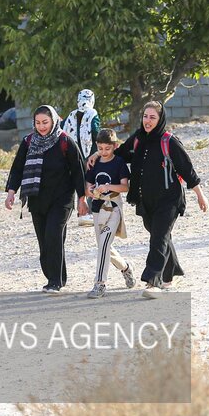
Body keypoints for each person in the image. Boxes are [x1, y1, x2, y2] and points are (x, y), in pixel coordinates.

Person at [107, 101, 207, 298]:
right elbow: (118, 156)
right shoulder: (137, 139)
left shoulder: (169, 141)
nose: (148, 121)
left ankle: (154, 281)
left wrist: (200, 194)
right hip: (146, 200)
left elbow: (187, 169)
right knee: (161, 236)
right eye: (145, 116)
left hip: (169, 200)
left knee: (158, 238)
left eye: (153, 117)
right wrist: (97, 155)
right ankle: (173, 272)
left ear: (160, 119)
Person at [5, 105, 88, 293]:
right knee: (44, 242)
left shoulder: (65, 141)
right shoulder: (28, 142)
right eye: (38, 123)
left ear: (53, 121)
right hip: (37, 199)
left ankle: (55, 281)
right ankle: (56, 276)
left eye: (45, 122)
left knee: (53, 236)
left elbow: (78, 171)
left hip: (62, 199)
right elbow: (17, 168)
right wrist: (11, 191)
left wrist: (82, 199)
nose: (42, 126)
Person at [84, 128, 137, 298]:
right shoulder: (94, 162)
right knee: (104, 246)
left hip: (113, 207)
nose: (104, 152)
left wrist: (107, 187)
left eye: (107, 148)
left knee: (104, 244)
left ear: (114, 146)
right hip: (97, 209)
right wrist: (90, 191)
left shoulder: (119, 163)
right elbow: (87, 186)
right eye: (100, 148)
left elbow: (124, 186)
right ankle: (126, 268)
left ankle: (100, 284)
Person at [63, 89, 103, 227]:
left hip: (73, 155)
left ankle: (81, 213)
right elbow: (96, 132)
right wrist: (100, 150)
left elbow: (62, 129)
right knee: (91, 182)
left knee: (78, 183)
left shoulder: (71, 115)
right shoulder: (93, 113)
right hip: (89, 155)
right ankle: (92, 213)